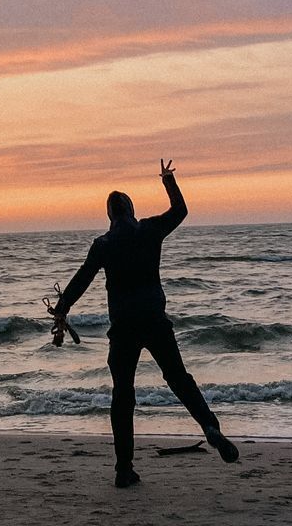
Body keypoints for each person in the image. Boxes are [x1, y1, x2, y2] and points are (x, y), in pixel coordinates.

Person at [49, 160, 240, 487]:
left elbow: (82, 278)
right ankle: (209, 426)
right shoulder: (150, 230)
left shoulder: (104, 245)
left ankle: (124, 469)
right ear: (132, 210)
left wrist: (62, 307)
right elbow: (180, 211)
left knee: (123, 395)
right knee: (179, 378)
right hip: (154, 320)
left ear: (110, 216)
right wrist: (168, 181)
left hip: (123, 327)